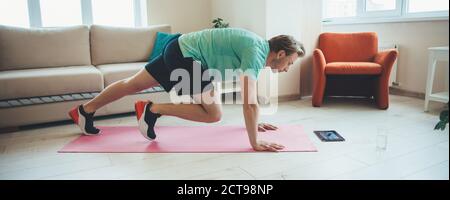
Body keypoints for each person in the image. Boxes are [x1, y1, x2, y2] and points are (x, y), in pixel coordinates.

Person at [68, 28, 305, 152]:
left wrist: (254, 123)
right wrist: (255, 141)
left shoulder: (254, 45)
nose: (287, 69)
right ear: (281, 53)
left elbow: (247, 97)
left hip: (179, 47)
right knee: (214, 115)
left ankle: (84, 110)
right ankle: (152, 109)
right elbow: (250, 102)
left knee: (132, 84)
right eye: (290, 63)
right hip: (185, 55)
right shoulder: (256, 54)